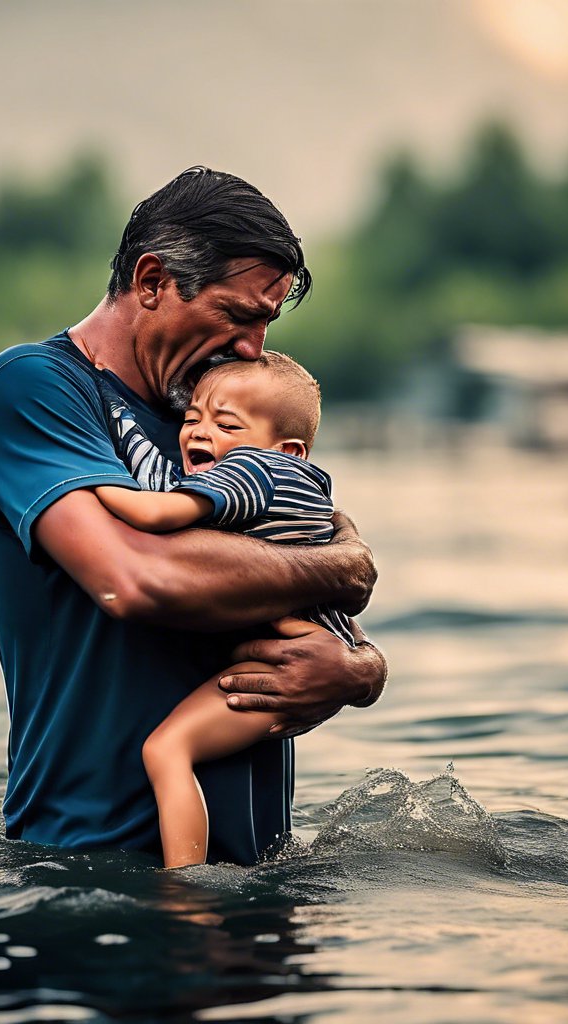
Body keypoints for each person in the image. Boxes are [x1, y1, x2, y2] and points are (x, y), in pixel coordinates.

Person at [0, 166, 387, 866]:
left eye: (266, 325)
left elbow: (324, 613)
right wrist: (344, 564)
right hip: (90, 866)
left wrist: (360, 671)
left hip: (259, 871)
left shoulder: (217, 422)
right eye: (237, 316)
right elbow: (134, 578)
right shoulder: (34, 390)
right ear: (152, 280)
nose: (253, 350)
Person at [94, 351, 362, 866]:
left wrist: (89, 482)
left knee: (166, 750)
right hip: (306, 649)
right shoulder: (305, 488)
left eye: (226, 424)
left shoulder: (254, 471)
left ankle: (186, 884)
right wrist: (117, 407)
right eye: (192, 417)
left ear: (286, 450)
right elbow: (162, 474)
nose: (199, 431)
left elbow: (156, 504)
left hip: (275, 667)